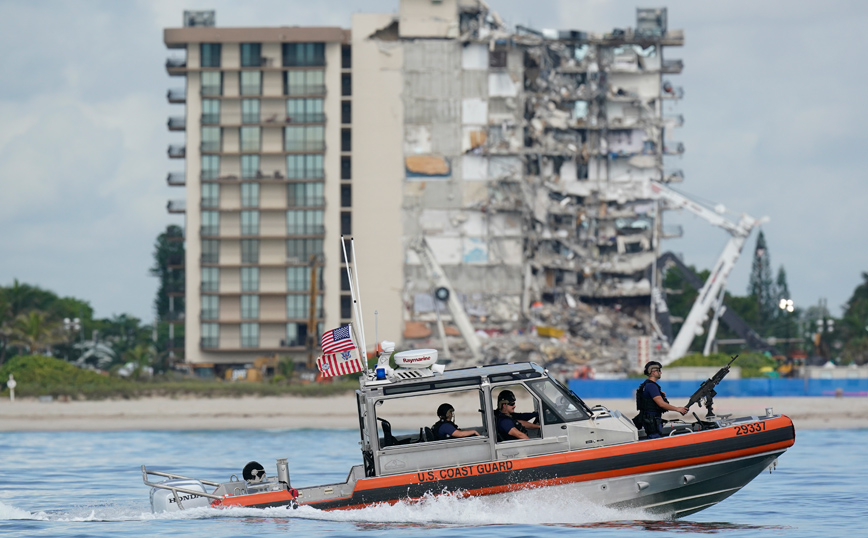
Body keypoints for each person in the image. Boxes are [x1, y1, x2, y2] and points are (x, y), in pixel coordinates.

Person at [634, 361, 688, 439]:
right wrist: (677, 409)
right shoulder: (652, 386)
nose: (661, 373)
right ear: (653, 372)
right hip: (652, 422)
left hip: (649, 420)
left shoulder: (646, 385)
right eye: (659, 370)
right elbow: (661, 404)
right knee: (655, 439)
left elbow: (648, 399)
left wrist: (660, 394)